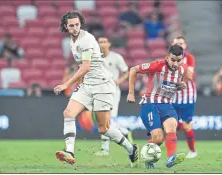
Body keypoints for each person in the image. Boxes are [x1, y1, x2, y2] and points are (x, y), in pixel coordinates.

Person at [53, 11, 139, 167]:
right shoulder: (73, 41)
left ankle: (131, 149)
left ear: (81, 24)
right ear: (66, 27)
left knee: (104, 129)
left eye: (77, 25)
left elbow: (86, 67)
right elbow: (84, 67)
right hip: (88, 85)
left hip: (102, 85)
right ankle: (70, 152)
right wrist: (81, 81)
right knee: (68, 113)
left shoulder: (85, 40)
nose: (74, 28)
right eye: (71, 25)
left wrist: (67, 84)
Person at [127, 44, 190, 169]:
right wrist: (131, 93)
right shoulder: (157, 65)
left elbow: (173, 85)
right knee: (158, 138)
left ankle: (170, 158)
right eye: (173, 60)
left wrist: (180, 86)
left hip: (167, 104)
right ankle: (141, 155)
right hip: (150, 104)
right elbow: (133, 70)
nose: (176, 64)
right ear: (167, 57)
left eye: (179, 60)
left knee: (172, 126)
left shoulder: (184, 70)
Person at [93, 36, 132, 156]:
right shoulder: (94, 58)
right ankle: (125, 131)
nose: (102, 44)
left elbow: (127, 72)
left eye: (104, 42)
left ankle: (105, 149)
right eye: (100, 42)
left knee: (108, 119)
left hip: (113, 92)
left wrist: (118, 82)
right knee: (102, 119)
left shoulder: (116, 57)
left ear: (109, 44)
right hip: (99, 91)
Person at [172, 36, 197, 158]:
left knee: (186, 126)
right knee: (171, 125)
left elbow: (189, 75)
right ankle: (171, 154)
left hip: (187, 95)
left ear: (185, 45)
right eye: (176, 43)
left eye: (181, 43)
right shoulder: (168, 59)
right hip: (172, 96)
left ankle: (192, 151)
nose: (179, 45)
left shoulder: (189, 58)